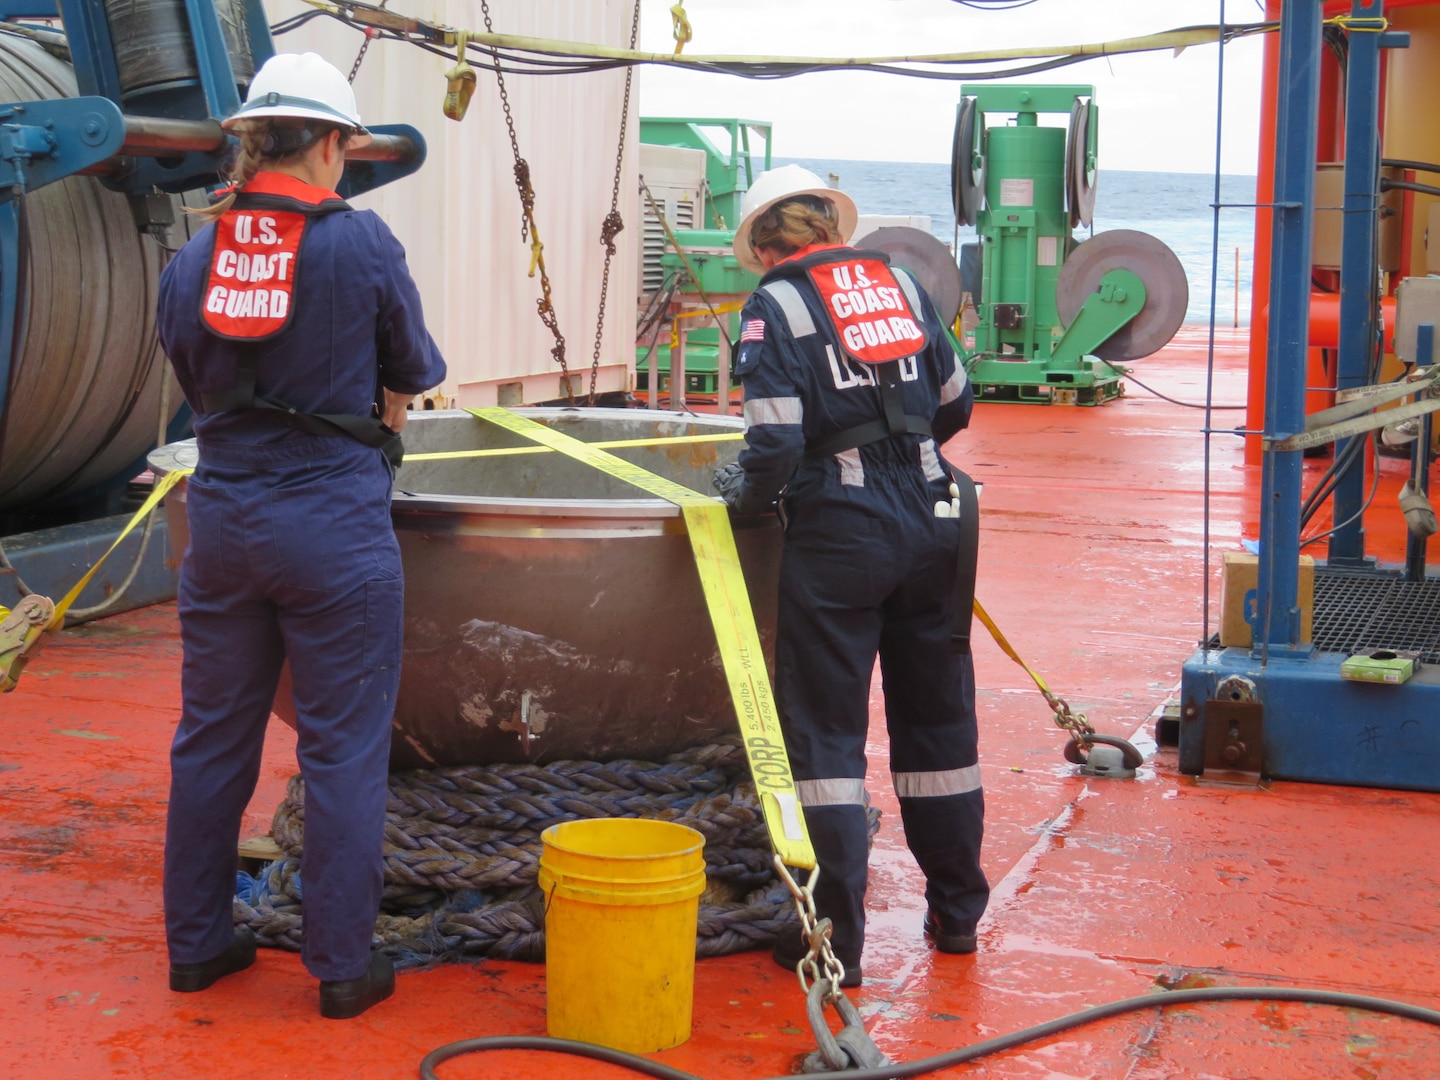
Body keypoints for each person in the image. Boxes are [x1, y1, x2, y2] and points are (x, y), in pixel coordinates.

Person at [155, 52, 447, 1019]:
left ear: (249, 139)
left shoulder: (194, 257)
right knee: (341, 752)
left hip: (225, 524)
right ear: (332, 141)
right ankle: (338, 967)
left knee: (210, 742)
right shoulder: (359, 244)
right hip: (333, 530)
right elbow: (414, 365)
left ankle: (197, 948)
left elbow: (193, 373)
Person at [712, 165, 989, 987]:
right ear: (832, 226)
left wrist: (737, 506)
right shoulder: (900, 283)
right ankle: (959, 919)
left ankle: (835, 949)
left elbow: (772, 443)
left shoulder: (776, 304)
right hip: (939, 525)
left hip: (841, 535)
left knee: (827, 742)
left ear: (767, 247)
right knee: (942, 733)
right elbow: (956, 404)